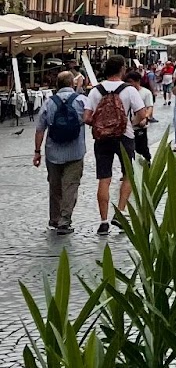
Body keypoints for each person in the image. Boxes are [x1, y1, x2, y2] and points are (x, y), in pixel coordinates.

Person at [83, 55, 144, 234]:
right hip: (124, 136)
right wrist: (129, 123)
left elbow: (86, 117)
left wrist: (101, 125)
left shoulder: (95, 90)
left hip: (102, 139)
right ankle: (120, 213)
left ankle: (103, 221)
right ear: (122, 69)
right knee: (128, 175)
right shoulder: (130, 90)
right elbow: (141, 114)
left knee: (104, 178)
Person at [33, 71, 87, 234]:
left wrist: (37, 152)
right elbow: (91, 119)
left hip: (53, 152)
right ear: (72, 83)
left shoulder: (49, 102)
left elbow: (40, 129)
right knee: (70, 186)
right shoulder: (81, 100)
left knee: (55, 186)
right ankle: (65, 220)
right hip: (75, 151)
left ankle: (55, 218)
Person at [124, 67, 155, 164]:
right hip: (128, 125)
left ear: (137, 81)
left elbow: (149, 107)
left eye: (131, 82)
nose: (129, 84)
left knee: (142, 147)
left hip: (140, 125)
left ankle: (147, 163)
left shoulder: (146, 93)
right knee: (129, 148)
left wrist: (145, 118)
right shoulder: (127, 92)